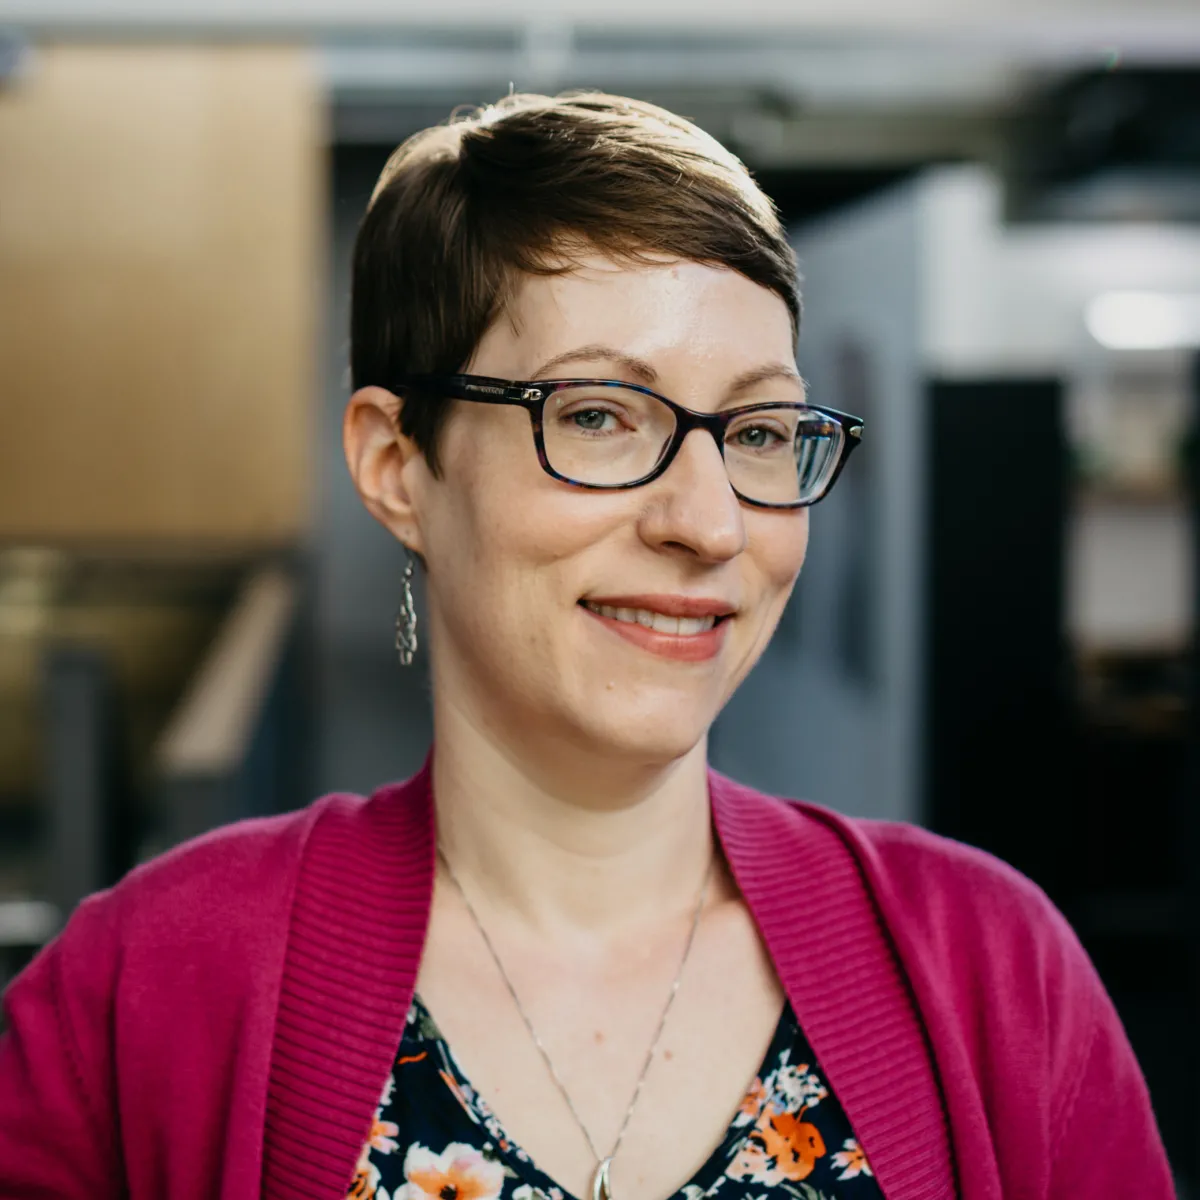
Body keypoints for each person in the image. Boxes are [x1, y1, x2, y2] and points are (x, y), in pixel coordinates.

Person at [0, 92, 1173, 1200]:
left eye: (759, 430)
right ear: (398, 466)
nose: (710, 523)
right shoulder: (144, 991)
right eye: (600, 416)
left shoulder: (992, 974)